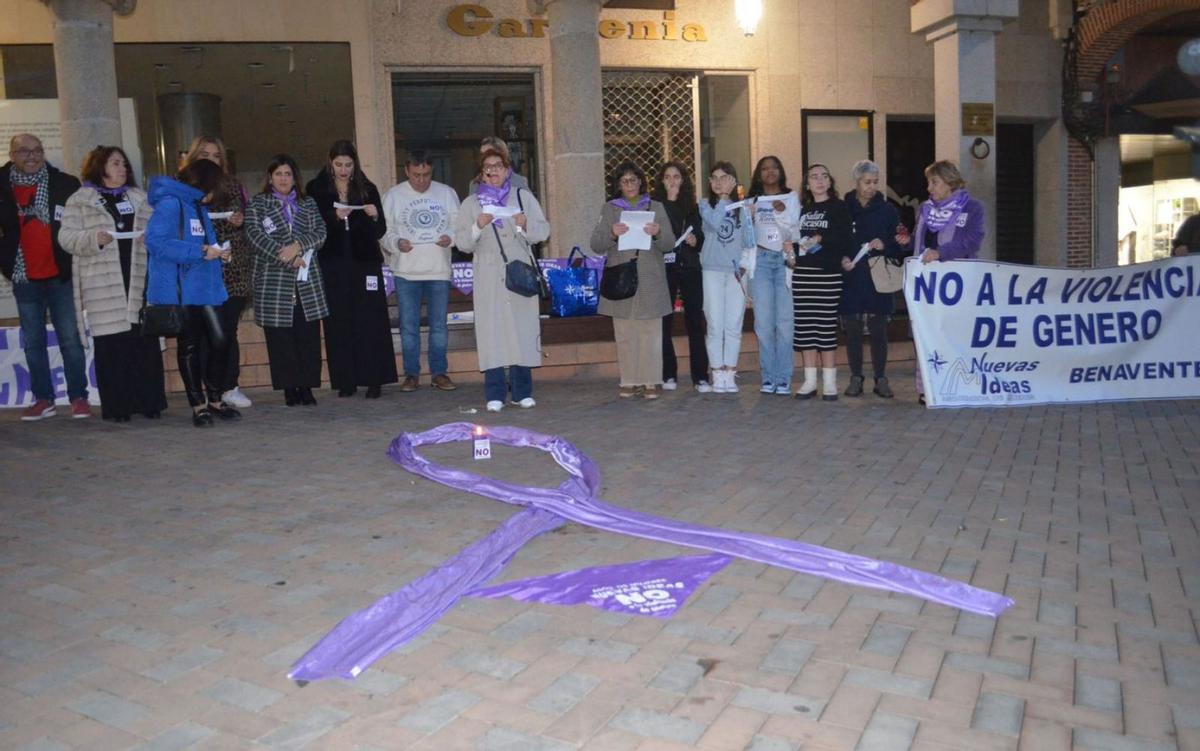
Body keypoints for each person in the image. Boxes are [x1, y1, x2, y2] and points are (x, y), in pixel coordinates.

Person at [59, 146, 166, 422]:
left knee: (143, 342)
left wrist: (150, 238)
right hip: (103, 282)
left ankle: (149, 402)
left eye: (124, 164)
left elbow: (160, 229)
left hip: (139, 277)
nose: (122, 169)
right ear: (99, 167)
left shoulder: (140, 198)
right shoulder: (80, 200)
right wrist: (93, 238)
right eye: (115, 163)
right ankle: (118, 407)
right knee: (112, 346)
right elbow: (66, 238)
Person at [0, 133, 90, 421]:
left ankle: (79, 396)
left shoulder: (65, 183)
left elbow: (81, 222)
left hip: (60, 275)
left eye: (37, 150)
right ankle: (43, 399)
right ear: (12, 155)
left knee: (70, 339)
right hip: (23, 276)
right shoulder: (1, 186)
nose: (32, 155)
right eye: (24, 151)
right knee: (33, 341)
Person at [144, 158, 238, 427]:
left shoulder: (196, 206)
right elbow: (156, 243)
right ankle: (199, 405)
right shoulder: (171, 204)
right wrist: (200, 252)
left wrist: (219, 252)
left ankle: (215, 398)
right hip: (183, 289)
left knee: (221, 340)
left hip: (204, 286)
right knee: (190, 346)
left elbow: (203, 242)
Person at [453, 148, 549, 412]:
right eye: (488, 167)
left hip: (519, 272)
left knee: (521, 329)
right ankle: (494, 393)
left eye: (498, 166)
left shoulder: (522, 196)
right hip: (488, 275)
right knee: (492, 332)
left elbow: (543, 231)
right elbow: (461, 242)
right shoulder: (471, 204)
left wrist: (524, 224)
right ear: (481, 173)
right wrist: (478, 225)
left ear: (507, 170)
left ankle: (522, 392)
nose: (493, 171)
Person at [308, 140, 397, 398]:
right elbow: (312, 225)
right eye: (338, 165)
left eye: (348, 165)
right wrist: (334, 217)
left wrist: (374, 215)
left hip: (364, 262)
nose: (343, 170)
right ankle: (345, 380)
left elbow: (380, 231)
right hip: (333, 264)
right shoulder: (317, 188)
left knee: (370, 321)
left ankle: (374, 379)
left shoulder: (367, 188)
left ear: (355, 164)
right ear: (330, 163)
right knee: (338, 321)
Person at [245, 154, 329, 406]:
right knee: (281, 338)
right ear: (270, 177)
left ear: (295, 178)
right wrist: (286, 256)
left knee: (307, 337)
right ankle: (289, 388)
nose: (284, 178)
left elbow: (321, 232)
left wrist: (298, 246)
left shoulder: (309, 203)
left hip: (306, 281)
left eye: (288, 174)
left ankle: (307, 386)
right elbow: (254, 235)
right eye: (279, 174)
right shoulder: (258, 204)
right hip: (273, 280)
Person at [179, 136, 254, 409]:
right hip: (197, 269)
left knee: (225, 333)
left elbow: (246, 225)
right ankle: (201, 393)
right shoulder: (182, 188)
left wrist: (238, 221)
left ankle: (228, 386)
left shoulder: (233, 186)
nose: (210, 160)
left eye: (216, 156)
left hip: (231, 270)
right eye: (205, 154)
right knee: (198, 336)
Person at [591, 161, 676, 399]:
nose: (629, 184)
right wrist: (611, 234)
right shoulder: (609, 209)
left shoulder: (656, 207)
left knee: (651, 331)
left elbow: (670, 243)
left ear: (641, 181)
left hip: (651, 277)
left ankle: (650, 381)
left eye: (633, 179)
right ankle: (629, 381)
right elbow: (596, 244)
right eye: (624, 180)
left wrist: (658, 232)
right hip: (622, 277)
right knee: (625, 332)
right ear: (618, 184)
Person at [382, 149, 460, 393]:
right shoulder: (393, 196)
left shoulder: (447, 193)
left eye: (426, 174)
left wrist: (452, 238)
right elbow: (383, 231)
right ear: (406, 171)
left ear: (431, 170)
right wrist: (396, 243)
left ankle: (439, 373)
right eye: (416, 175)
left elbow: (461, 227)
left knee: (439, 326)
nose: (421, 180)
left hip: (438, 271)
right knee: (408, 326)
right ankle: (411, 374)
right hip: (406, 272)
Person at [912, 160, 985, 404]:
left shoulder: (972, 208)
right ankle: (926, 388)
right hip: (928, 284)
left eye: (934, 182)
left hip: (957, 284)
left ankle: (956, 383)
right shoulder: (924, 209)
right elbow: (918, 242)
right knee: (926, 333)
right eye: (928, 183)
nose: (929, 188)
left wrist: (941, 252)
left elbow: (972, 241)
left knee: (954, 333)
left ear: (950, 182)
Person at [840, 160, 906, 399]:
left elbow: (901, 242)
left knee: (879, 328)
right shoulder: (843, 207)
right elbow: (836, 239)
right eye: (867, 182)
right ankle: (856, 376)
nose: (871, 187)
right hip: (852, 275)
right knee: (853, 328)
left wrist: (886, 244)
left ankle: (881, 377)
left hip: (878, 275)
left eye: (875, 182)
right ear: (856, 182)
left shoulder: (888, 210)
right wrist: (842, 258)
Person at [793, 163, 853, 401]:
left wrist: (822, 237)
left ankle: (829, 382)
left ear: (830, 182)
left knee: (825, 328)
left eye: (824, 176)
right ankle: (809, 381)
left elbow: (846, 238)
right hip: (803, 275)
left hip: (828, 274)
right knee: (806, 328)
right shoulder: (801, 210)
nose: (819, 181)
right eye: (814, 177)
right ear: (807, 184)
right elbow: (795, 239)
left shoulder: (839, 208)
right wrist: (792, 251)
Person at [698, 161, 756, 394]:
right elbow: (714, 223)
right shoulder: (705, 205)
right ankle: (717, 371)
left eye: (725, 177)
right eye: (715, 177)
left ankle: (730, 372)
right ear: (710, 183)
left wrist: (744, 265)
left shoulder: (743, 206)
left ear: (733, 179)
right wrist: (723, 198)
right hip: (712, 270)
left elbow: (749, 240)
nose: (720, 181)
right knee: (715, 324)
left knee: (733, 323)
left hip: (735, 271)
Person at [651, 161, 708, 392]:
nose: (672, 181)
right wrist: (671, 200)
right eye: (667, 177)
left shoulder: (692, 207)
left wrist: (696, 241)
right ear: (661, 181)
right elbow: (667, 231)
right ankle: (669, 374)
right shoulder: (655, 207)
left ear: (684, 180)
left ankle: (701, 376)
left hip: (690, 267)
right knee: (664, 321)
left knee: (694, 320)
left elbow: (700, 235)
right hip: (665, 268)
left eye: (676, 176)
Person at [747, 156, 801, 395]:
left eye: (774, 168)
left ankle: (784, 377)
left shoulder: (791, 198)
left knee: (785, 323)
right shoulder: (751, 201)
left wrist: (781, 213)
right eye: (765, 169)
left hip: (783, 262)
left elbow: (796, 232)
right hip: (761, 262)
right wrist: (747, 218)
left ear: (781, 171)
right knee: (764, 323)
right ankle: (768, 377)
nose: (770, 172)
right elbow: (745, 237)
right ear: (759, 175)